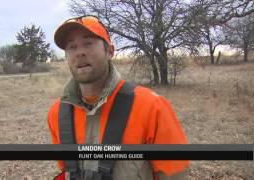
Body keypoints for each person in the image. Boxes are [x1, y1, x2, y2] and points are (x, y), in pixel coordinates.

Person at [47, 15, 189, 180]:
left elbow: (174, 174)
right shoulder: (57, 113)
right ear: (66, 57)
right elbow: (67, 170)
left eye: (88, 43)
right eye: (71, 47)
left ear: (110, 51)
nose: (80, 52)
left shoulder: (151, 107)